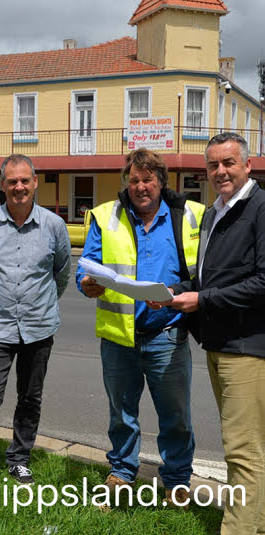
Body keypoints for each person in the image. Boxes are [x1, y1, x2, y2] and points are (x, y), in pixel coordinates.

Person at [76, 148, 204, 507]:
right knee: (122, 413)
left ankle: (177, 479)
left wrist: (177, 295)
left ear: (161, 182)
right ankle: (122, 471)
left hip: (168, 335)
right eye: (134, 180)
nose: (140, 186)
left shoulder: (191, 216)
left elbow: (204, 275)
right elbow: (86, 267)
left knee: (175, 415)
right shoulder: (106, 216)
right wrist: (86, 282)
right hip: (119, 338)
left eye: (148, 179)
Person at [160, 133, 265, 533]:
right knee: (251, 447)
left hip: (248, 346)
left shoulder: (259, 208)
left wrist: (202, 301)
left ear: (247, 166)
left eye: (228, 163)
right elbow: (209, 277)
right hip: (219, 342)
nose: (220, 171)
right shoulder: (213, 212)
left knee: (243, 452)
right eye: (213, 165)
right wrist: (174, 293)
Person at [0, 154, 71, 501]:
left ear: (35, 182)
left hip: (39, 328)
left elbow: (61, 273)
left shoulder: (54, 226)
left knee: (30, 397)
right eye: (12, 181)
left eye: (25, 180)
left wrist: (42, 304)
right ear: (3, 185)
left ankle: (19, 458)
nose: (19, 187)